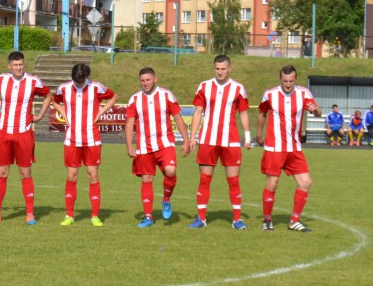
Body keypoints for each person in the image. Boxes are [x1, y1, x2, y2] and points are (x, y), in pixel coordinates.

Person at [0, 51, 52, 224]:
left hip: (24, 133)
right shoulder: (0, 80)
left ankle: (30, 213)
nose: (18, 67)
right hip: (4, 132)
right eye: (15, 65)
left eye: (21, 64)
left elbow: (48, 96)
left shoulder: (33, 81)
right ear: (9, 66)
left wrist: (39, 115)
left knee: (25, 172)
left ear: (24, 64)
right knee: (1, 172)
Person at [188, 54, 252, 230]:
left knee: (233, 181)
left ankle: (237, 220)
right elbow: (198, 112)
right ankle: (201, 218)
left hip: (230, 141)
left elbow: (244, 113)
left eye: (223, 69)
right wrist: (193, 137)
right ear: (214, 68)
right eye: (217, 68)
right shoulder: (205, 86)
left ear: (230, 69)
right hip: (208, 140)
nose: (220, 72)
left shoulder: (238, 88)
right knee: (204, 179)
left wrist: (247, 137)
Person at [256, 65, 323, 232]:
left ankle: (294, 220)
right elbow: (262, 113)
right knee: (272, 183)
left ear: (296, 79)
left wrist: (316, 110)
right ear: (280, 79)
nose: (288, 84)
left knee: (306, 182)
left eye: (291, 81)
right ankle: (267, 219)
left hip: (294, 147)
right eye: (285, 81)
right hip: (274, 147)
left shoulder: (304, 93)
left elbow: (318, 112)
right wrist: (259, 134)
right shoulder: (270, 94)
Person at [124, 66, 192, 228]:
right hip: (144, 146)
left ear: (155, 79)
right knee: (146, 179)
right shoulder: (134, 99)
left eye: (148, 80)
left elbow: (178, 117)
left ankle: (166, 199)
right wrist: (129, 145)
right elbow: (129, 123)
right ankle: (148, 217)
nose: (145, 83)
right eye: (142, 80)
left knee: (170, 171)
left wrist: (186, 140)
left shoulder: (166, 95)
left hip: (164, 143)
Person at [52, 63, 116, 226]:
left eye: (81, 81)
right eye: (76, 80)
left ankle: (95, 215)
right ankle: (69, 215)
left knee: (92, 174)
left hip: (91, 139)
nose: (78, 84)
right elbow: (55, 101)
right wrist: (63, 113)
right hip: (71, 139)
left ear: (86, 77)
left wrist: (101, 112)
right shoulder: (64, 88)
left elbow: (114, 97)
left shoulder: (96, 87)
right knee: (71, 175)